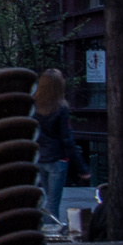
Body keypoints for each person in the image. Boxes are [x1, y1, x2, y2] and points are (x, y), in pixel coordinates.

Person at [32, 69, 90, 220]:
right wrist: (82, 168)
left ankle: (45, 230)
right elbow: (67, 139)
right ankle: (51, 232)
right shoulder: (61, 108)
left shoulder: (34, 107)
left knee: (47, 199)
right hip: (58, 159)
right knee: (53, 202)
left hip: (41, 157)